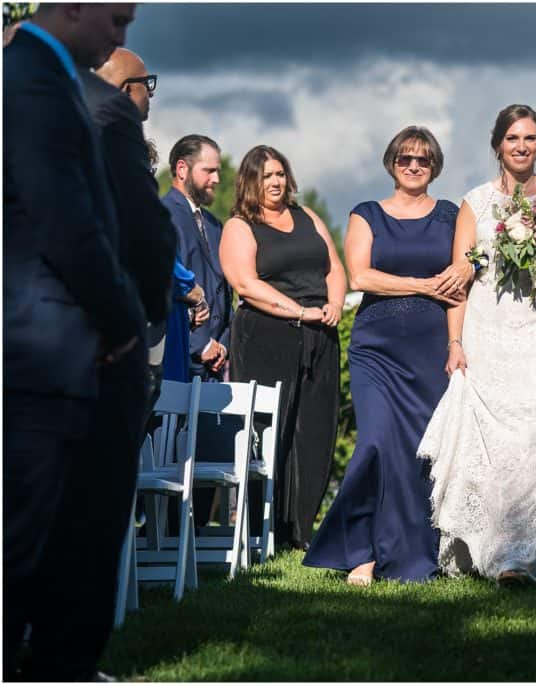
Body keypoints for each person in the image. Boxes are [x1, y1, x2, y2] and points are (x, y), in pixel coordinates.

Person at [23, 43, 179, 682]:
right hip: (93, 346)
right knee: (86, 513)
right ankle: (63, 665)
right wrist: (135, 318)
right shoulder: (110, 123)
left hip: (29, 342)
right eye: (148, 84)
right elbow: (144, 237)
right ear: (123, 85)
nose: (148, 97)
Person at [2, 3, 145, 680]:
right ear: (73, 5)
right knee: (19, 560)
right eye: (115, 21)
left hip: (43, 348)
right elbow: (68, 222)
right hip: (37, 350)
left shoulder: (42, 75)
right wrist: (121, 324)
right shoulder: (31, 79)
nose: (120, 39)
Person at [417, 104, 536, 587]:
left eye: (530, 138)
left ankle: (521, 555)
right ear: (497, 144)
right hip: (486, 329)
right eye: (512, 138)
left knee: (531, 433)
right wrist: (455, 341)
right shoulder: (474, 202)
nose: (521, 146)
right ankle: (488, 547)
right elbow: (460, 280)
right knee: (491, 442)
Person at [305, 127, 462, 584]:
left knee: (421, 452)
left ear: (434, 166)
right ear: (391, 162)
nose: (414, 166)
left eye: (424, 160)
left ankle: (417, 554)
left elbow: (460, 280)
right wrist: (422, 284)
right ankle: (360, 550)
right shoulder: (366, 213)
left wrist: (456, 341)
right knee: (374, 442)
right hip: (377, 348)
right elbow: (360, 276)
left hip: (431, 346)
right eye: (405, 158)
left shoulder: (451, 215)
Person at [220, 145, 346, 551]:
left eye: (279, 174)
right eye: (266, 176)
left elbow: (334, 266)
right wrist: (299, 312)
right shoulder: (240, 226)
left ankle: (302, 531)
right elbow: (245, 284)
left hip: (319, 333)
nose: (275, 182)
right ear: (250, 183)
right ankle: (262, 528)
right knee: (268, 431)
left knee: (315, 430)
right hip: (267, 334)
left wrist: (335, 305)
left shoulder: (307, 217)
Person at [163, 134, 231, 381]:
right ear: (182, 169)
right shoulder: (162, 215)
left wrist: (223, 344)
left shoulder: (215, 225)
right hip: (177, 360)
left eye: (218, 171)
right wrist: (200, 345)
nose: (217, 179)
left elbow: (225, 289)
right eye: (209, 171)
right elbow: (167, 282)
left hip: (215, 367)